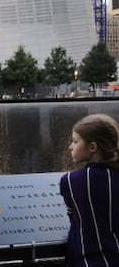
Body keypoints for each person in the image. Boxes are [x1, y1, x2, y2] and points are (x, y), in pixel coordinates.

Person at [60, 113, 119, 266]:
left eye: (75, 141)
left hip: (90, 261)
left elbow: (74, 219)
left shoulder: (71, 181)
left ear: (93, 147)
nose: (70, 147)